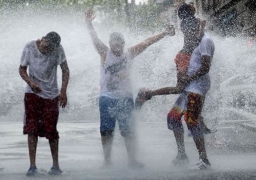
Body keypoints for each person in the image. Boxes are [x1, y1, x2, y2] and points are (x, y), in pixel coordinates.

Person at [85, 9, 175, 168]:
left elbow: (147, 41)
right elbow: (95, 39)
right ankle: (107, 162)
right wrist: (88, 23)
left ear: (123, 44)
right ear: (110, 43)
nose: (117, 47)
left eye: (120, 44)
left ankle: (132, 160)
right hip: (106, 97)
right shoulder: (105, 53)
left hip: (125, 97)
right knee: (106, 131)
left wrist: (165, 33)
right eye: (114, 44)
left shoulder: (129, 53)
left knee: (128, 131)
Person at [137, 5, 215, 169]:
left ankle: (204, 160)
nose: (186, 36)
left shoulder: (204, 41)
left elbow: (205, 66)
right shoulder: (188, 48)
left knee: (191, 120)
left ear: (193, 29)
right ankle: (181, 155)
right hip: (189, 89)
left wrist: (186, 77)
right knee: (173, 118)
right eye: (184, 33)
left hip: (197, 88)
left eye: (188, 32)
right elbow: (198, 32)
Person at [19, 31, 70, 176]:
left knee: (52, 130)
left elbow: (65, 70)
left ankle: (55, 166)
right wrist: (30, 82)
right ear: (42, 39)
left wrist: (63, 91)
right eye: (45, 47)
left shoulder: (58, 49)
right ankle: (32, 166)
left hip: (51, 94)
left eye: (50, 49)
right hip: (32, 93)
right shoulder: (29, 46)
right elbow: (22, 69)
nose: (47, 51)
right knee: (31, 128)